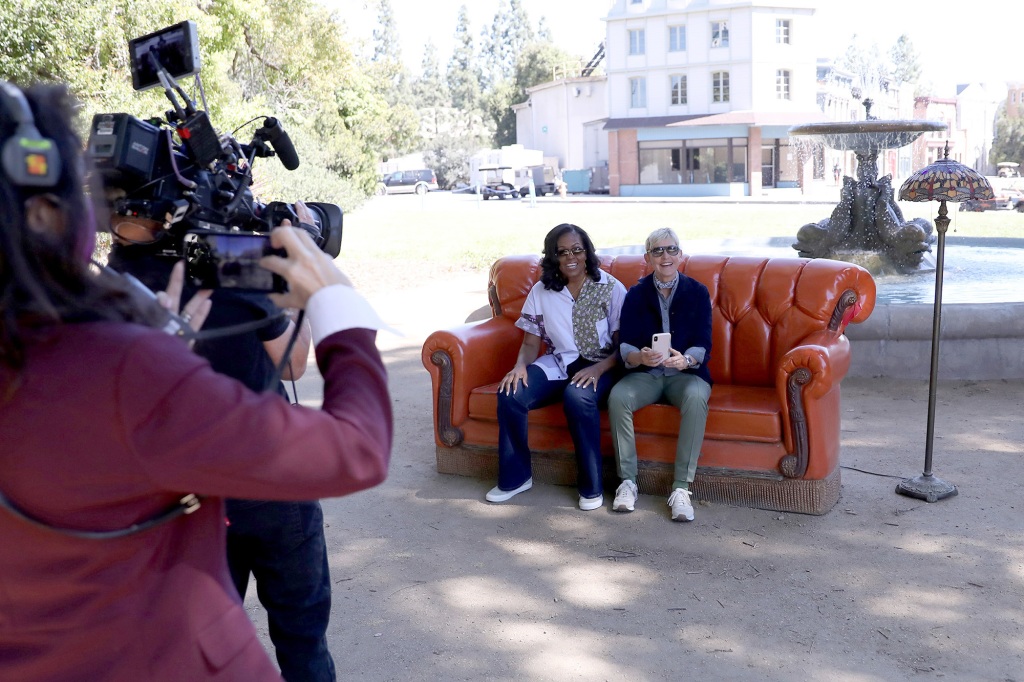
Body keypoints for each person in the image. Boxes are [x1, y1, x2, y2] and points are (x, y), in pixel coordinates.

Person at [0, 82, 392, 681]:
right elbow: (351, 441)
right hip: (252, 519)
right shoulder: (126, 358)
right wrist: (337, 303)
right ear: (46, 209)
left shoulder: (101, 315)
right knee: (304, 641)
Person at [106, 203, 333, 681]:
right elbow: (292, 364)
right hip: (271, 481)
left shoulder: (114, 276)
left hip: (187, 492)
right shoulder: (227, 256)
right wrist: (299, 284)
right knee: (302, 641)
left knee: (203, 647)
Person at [486, 223, 626, 510]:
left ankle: (591, 487)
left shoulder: (610, 287)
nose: (571, 257)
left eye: (577, 249)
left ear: (587, 251)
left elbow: (622, 347)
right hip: (559, 363)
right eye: (562, 252)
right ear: (553, 257)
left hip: (602, 366)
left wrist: (598, 369)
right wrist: (519, 367)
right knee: (510, 393)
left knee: (577, 396)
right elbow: (529, 343)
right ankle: (516, 477)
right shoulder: (542, 290)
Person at [607, 228, 712, 521]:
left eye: (671, 249)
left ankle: (681, 488)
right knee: (619, 397)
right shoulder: (637, 294)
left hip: (685, 374)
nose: (665, 256)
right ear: (647, 257)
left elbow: (704, 342)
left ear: (680, 254)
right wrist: (639, 356)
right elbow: (625, 342)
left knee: (695, 396)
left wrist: (687, 359)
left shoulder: (698, 292)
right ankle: (627, 482)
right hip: (647, 374)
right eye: (657, 251)